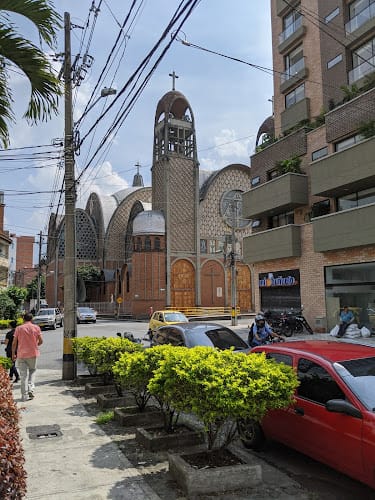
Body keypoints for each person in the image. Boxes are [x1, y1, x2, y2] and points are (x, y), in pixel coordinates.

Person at [12, 312, 43, 402]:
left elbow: (14, 343)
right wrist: (35, 345)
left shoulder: (18, 328)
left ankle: (24, 396)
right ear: (31, 319)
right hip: (33, 353)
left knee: (23, 376)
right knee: (32, 371)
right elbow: (41, 341)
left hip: (21, 354)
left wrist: (13, 353)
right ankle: (31, 389)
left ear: (23, 319)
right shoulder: (36, 328)